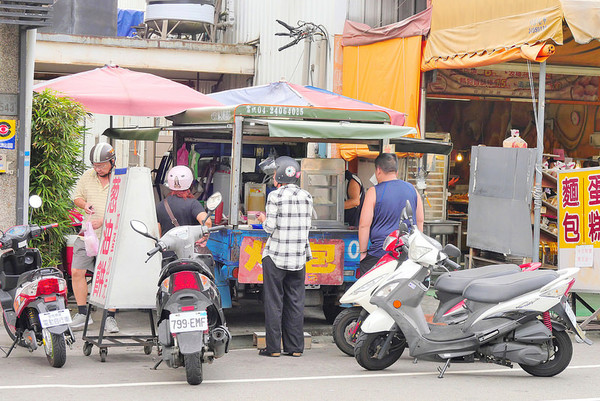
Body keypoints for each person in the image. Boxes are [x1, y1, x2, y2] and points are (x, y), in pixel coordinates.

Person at [256, 156, 313, 357]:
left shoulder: (275, 196)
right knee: (295, 302)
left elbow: (270, 227)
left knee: (274, 302)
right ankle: (295, 348)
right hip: (298, 257)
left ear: (279, 175)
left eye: (273, 174)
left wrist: (263, 219)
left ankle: (273, 349)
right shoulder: (307, 196)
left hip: (276, 256)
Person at [70, 143, 119, 333]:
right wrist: (85, 204)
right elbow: (77, 197)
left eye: (102, 165)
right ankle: (83, 314)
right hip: (87, 234)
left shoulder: (120, 178)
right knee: (76, 271)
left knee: (109, 276)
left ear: (112, 162)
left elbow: (125, 207)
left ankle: (110, 317)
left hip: (110, 236)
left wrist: (105, 221)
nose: (98, 169)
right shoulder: (87, 176)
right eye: (95, 165)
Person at [358, 153, 424, 276]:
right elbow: (420, 220)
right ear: (396, 171)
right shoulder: (412, 189)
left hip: (380, 254)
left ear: (378, 170)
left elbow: (364, 225)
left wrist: (363, 253)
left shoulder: (374, 191)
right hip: (407, 253)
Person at [156, 165, 211, 242]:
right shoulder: (193, 204)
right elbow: (207, 222)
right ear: (190, 183)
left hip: (167, 251)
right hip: (188, 251)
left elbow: (158, 232)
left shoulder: (161, 205)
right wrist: (203, 239)